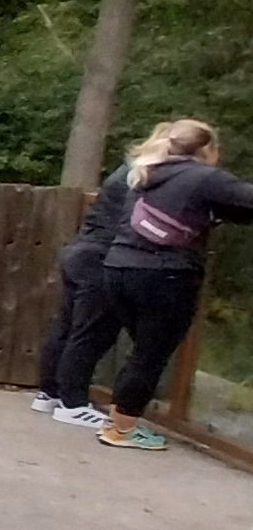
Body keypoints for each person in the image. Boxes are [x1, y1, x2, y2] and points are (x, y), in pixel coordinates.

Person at [54, 118, 253, 451]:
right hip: (165, 275)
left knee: (141, 353)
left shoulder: (149, 170)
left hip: (119, 267)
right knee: (149, 355)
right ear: (208, 149)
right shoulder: (203, 176)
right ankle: (121, 430)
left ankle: (119, 421)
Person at [30, 155, 133, 427]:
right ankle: (72, 403)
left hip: (81, 250)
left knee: (66, 327)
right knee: (91, 333)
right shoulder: (149, 176)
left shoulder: (127, 169)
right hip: (104, 257)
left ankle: (49, 392)